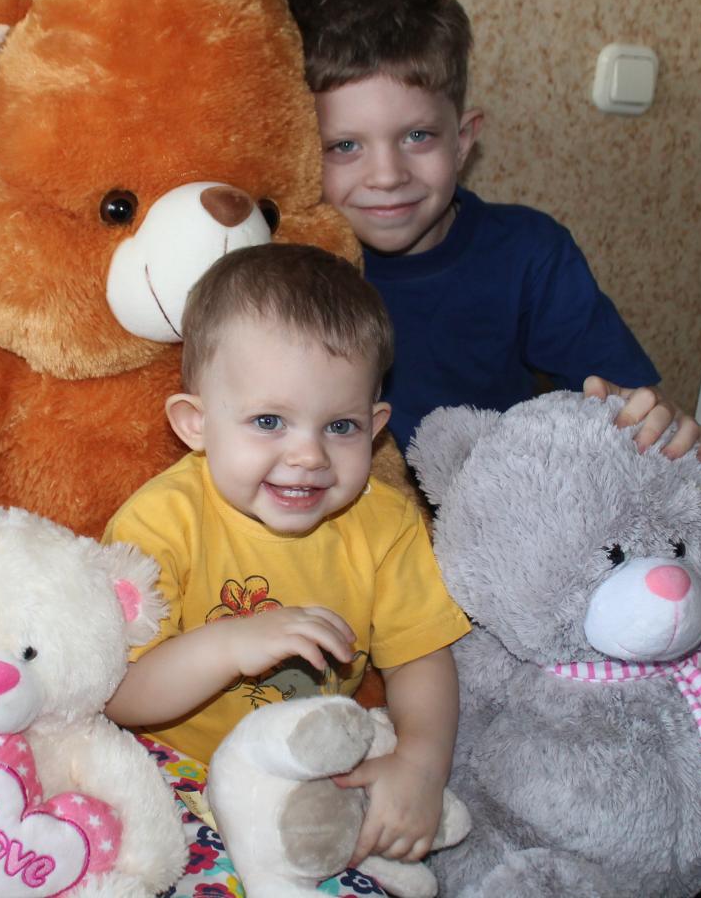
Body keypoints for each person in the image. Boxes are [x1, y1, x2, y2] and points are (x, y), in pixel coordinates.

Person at [103, 243, 470, 869]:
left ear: (376, 424)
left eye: (340, 427)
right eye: (269, 421)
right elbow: (118, 694)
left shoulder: (385, 524)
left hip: (316, 784)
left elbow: (421, 657)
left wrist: (420, 765)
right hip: (170, 775)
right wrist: (231, 644)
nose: (308, 456)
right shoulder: (158, 523)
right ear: (195, 423)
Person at [285, 0, 701, 462]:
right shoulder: (290, 266)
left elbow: (628, 403)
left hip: (493, 503)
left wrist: (654, 421)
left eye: (418, 136)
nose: (387, 175)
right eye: (345, 146)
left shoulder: (530, 254)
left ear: (463, 140)